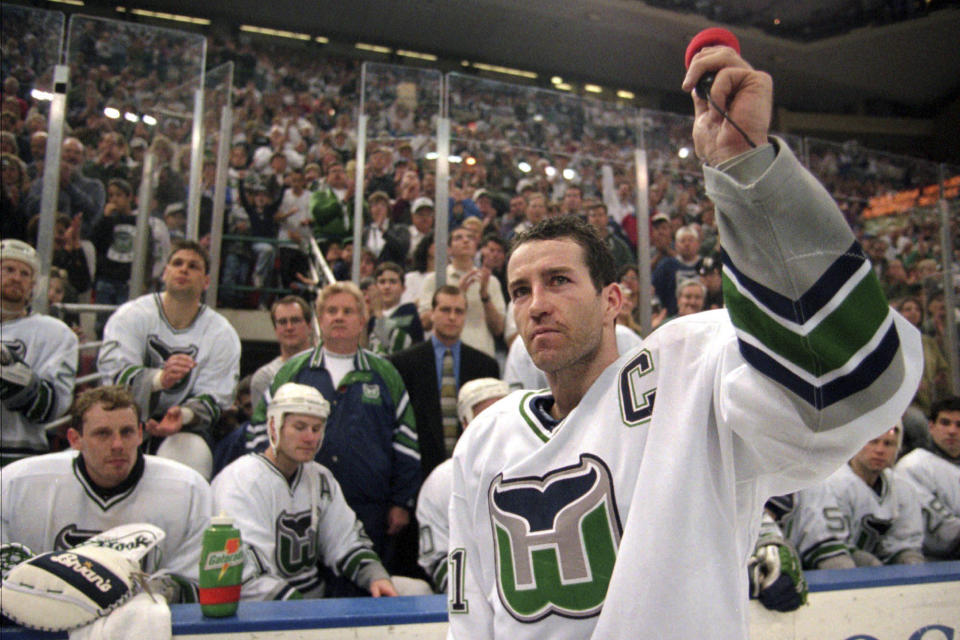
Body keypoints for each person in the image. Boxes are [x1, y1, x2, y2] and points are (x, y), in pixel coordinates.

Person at [446, 42, 920, 640]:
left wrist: (747, 179)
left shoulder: (689, 373)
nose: (536, 303)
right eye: (519, 290)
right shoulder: (484, 440)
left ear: (614, 301)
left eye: (559, 280)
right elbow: (472, 618)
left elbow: (843, 385)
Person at [250, 281, 420, 580]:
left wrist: (401, 501)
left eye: (347, 311)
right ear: (319, 317)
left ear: (362, 319)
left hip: (370, 507)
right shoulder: (293, 371)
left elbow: (406, 441)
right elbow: (260, 431)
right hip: (297, 507)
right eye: (331, 310)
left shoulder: (385, 373)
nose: (338, 317)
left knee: (365, 587)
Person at [0, 385, 211, 602]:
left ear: (140, 434)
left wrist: (167, 591)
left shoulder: (188, 489)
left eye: (127, 432)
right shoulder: (17, 484)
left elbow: (203, 586)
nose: (117, 445)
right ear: (75, 439)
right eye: (103, 433)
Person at [212, 383, 397, 600]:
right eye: (300, 427)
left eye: (316, 429)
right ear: (273, 427)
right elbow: (245, 573)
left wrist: (375, 576)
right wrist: (302, 612)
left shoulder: (320, 478)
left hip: (312, 606)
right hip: (261, 613)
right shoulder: (239, 481)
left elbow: (345, 540)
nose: (310, 438)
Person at [97, 240, 241, 479]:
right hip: (123, 417)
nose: (183, 269)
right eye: (177, 263)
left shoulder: (221, 333)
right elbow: (114, 379)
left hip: (185, 428)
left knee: (190, 454)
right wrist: (158, 379)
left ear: (206, 282)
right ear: (165, 273)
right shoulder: (131, 315)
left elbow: (215, 398)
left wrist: (181, 416)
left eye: (193, 266)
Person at [389, 285, 500, 478]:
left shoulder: (485, 366)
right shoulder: (402, 364)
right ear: (432, 313)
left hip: (472, 472)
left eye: (458, 311)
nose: (452, 317)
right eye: (445, 310)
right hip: (419, 472)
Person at [417, 377, 510, 593]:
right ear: (466, 422)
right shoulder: (441, 481)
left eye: (503, 413)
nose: (497, 423)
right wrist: (469, 597)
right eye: (486, 415)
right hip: (470, 596)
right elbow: (437, 558)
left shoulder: (537, 466)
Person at [1, 239, 78, 466]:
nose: (16, 277)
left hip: (19, 454)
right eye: (8, 269)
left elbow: (53, 408)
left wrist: (16, 379)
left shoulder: (56, 333)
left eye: (25, 273)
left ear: (33, 285)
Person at [803, 424, 925, 567]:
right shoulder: (832, 483)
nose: (880, 450)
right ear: (855, 444)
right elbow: (828, 546)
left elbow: (905, 544)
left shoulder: (903, 488)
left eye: (888, 444)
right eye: (872, 442)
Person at [418, 226, 506, 359]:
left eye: (470, 238)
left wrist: (484, 296)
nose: (465, 241)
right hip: (444, 354)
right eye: (458, 238)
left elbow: (498, 329)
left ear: (476, 247)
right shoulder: (434, 279)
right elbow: (425, 323)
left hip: (482, 354)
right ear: (449, 249)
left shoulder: (491, 281)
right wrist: (457, 296)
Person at [895, 396, 960, 559]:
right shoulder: (912, 466)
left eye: (959, 425)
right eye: (945, 423)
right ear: (931, 426)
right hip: (931, 561)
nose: (952, 431)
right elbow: (944, 532)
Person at [250, 296, 316, 405]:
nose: (289, 327)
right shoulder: (264, 377)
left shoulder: (326, 366)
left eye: (295, 320)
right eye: (282, 322)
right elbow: (262, 421)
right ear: (275, 329)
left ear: (309, 326)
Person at [367, 262, 424, 356]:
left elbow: (397, 344)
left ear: (403, 288)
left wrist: (378, 313)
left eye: (393, 282)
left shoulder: (409, 311)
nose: (387, 287)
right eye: (382, 282)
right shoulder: (372, 319)